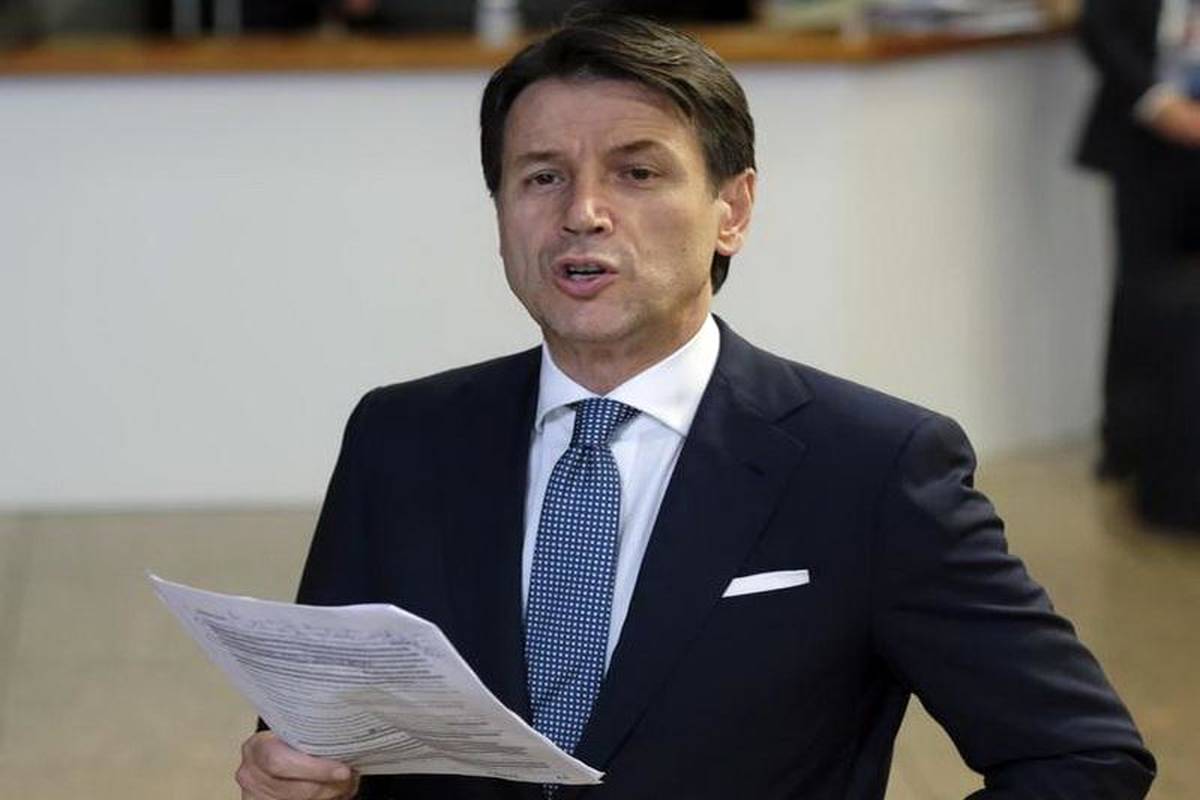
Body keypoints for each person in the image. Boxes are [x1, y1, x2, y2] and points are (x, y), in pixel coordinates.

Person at [237, 12, 1155, 800]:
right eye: (541, 176)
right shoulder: (401, 436)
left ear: (733, 210)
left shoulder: (872, 466)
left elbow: (1082, 754)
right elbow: (321, 723)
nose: (583, 212)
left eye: (637, 173)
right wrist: (296, 772)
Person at [1077, 0, 1200, 479]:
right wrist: (1158, 101)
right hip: (1144, 139)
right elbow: (1099, 27)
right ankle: (1130, 446)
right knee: (1141, 297)